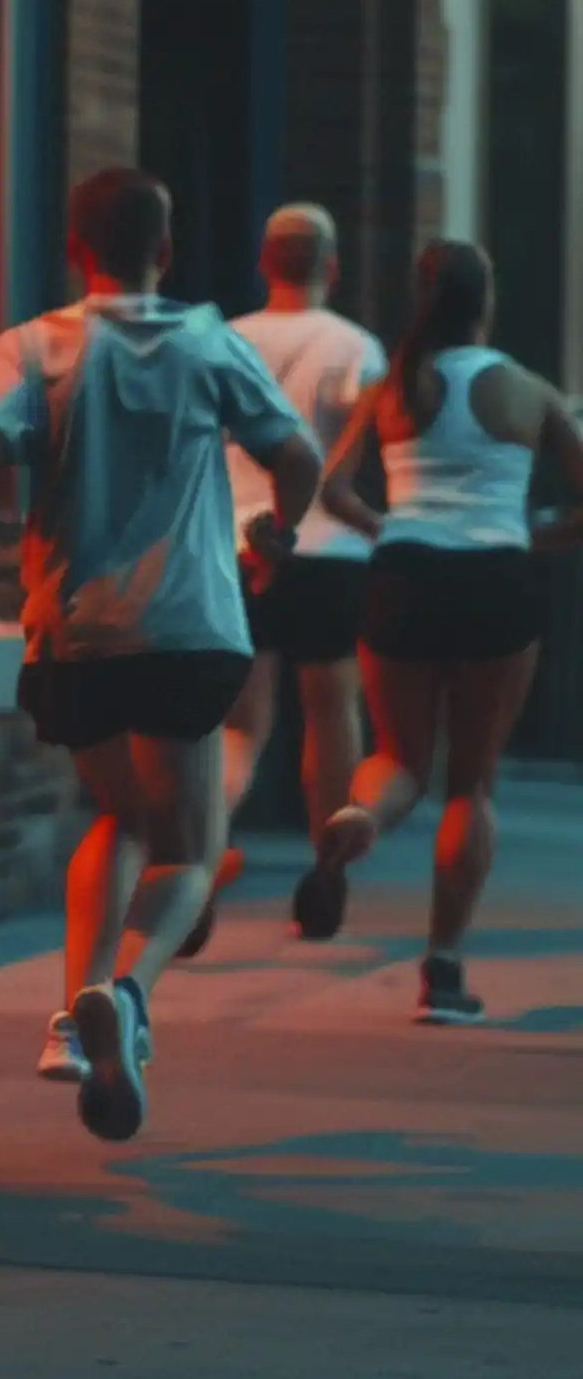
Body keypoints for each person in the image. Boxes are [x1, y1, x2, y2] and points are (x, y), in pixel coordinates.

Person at [0, 169, 320, 1138]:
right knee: (188, 849)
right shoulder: (207, 341)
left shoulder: (32, 345)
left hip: (73, 630)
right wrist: (277, 533)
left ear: (77, 250)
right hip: (187, 623)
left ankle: (73, 1018)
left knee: (115, 813)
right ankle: (130, 991)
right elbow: (296, 454)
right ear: (165, 249)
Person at [309, 238, 583, 1022]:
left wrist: (384, 525)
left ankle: (354, 819)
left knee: (397, 758)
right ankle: (444, 968)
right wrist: (538, 535)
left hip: (404, 573)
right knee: (472, 782)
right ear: (485, 301)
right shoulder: (530, 391)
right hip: (498, 576)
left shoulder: (393, 388)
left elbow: (332, 489)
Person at [194, 204, 387, 951]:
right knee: (331, 706)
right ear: (330, 266)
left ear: (264, 262)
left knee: (241, 720)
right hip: (330, 548)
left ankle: (205, 850)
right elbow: (356, 446)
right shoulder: (354, 346)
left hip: (237, 545)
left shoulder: (225, 339)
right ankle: (326, 863)